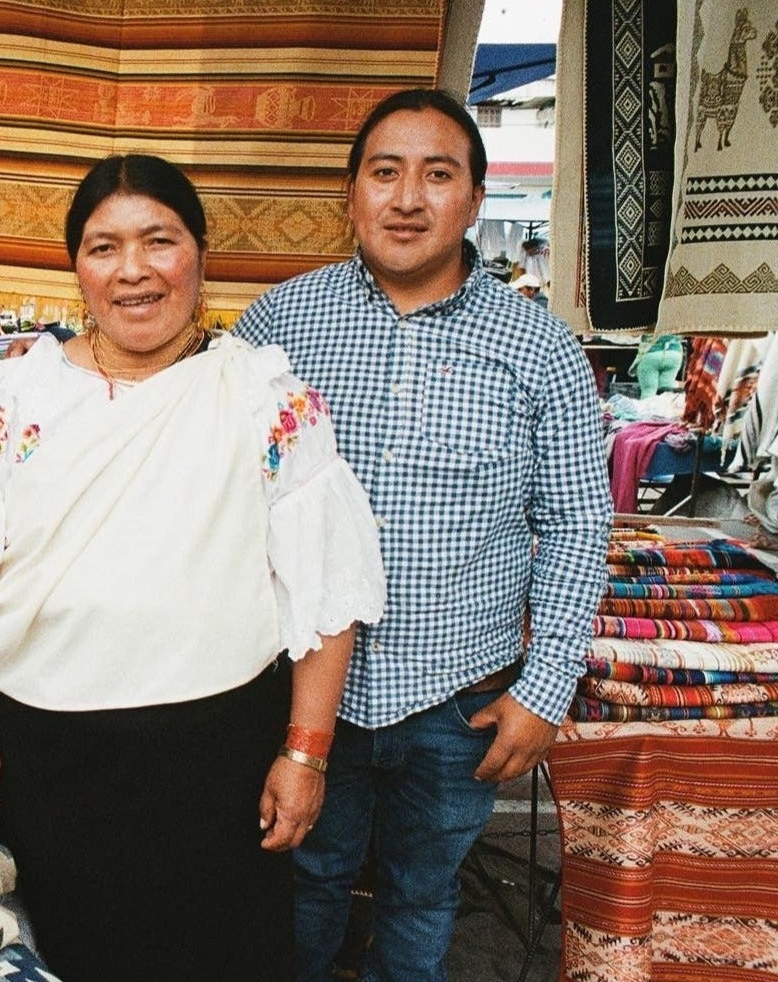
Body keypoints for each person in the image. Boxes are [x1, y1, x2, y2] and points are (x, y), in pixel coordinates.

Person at [0, 153, 386, 982]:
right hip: (46, 760)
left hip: (218, 763)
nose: (132, 271)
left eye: (158, 241)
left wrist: (304, 756)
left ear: (200, 254)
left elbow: (328, 593)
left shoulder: (263, 397)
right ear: (77, 268)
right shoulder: (22, 394)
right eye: (104, 247)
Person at [235, 88, 612, 982]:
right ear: (352, 192)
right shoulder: (277, 327)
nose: (408, 199)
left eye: (437, 176)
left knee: (421, 892)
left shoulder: (541, 349)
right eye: (385, 173)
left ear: (475, 200)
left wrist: (546, 687)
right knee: (304, 881)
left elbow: (576, 523)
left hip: (459, 701)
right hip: (298, 696)